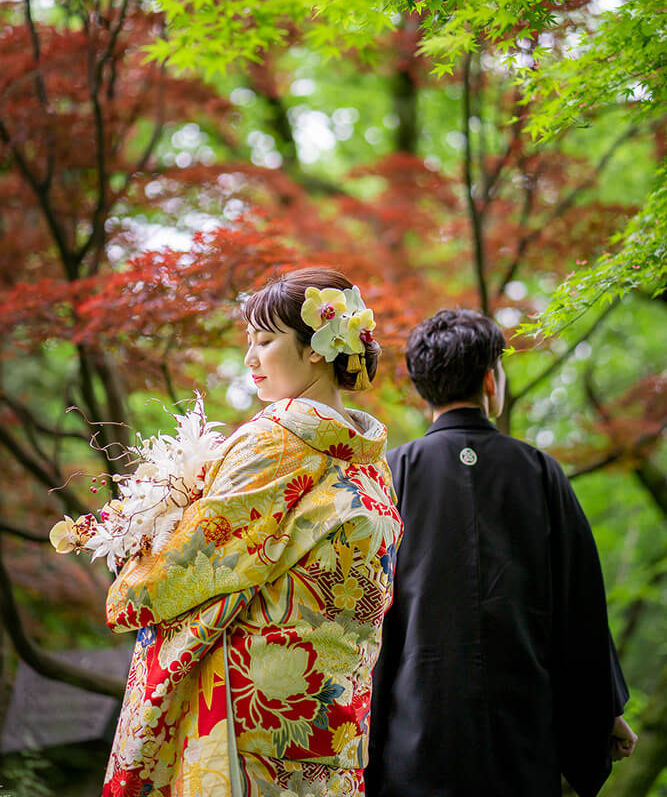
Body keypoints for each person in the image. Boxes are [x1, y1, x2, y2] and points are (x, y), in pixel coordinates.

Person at [102, 267, 403, 797]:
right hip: (333, 716)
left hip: (249, 719)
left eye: (265, 341)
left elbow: (190, 563)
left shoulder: (275, 444)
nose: (250, 358)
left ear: (316, 349)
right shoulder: (372, 462)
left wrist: (131, 573)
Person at [366, 308, 636, 797]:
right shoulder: (539, 471)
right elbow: (581, 610)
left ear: (421, 387)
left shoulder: (388, 475)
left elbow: (362, 612)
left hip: (413, 736)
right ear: (492, 381)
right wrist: (604, 713)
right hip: (521, 741)